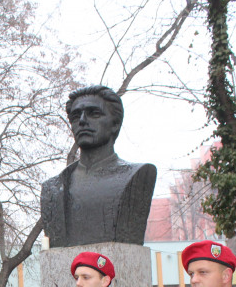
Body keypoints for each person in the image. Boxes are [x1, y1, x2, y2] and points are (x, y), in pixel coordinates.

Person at [41, 86, 156, 247]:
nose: (82, 121)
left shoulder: (137, 175)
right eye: (75, 116)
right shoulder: (52, 189)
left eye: (94, 113)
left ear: (115, 124)